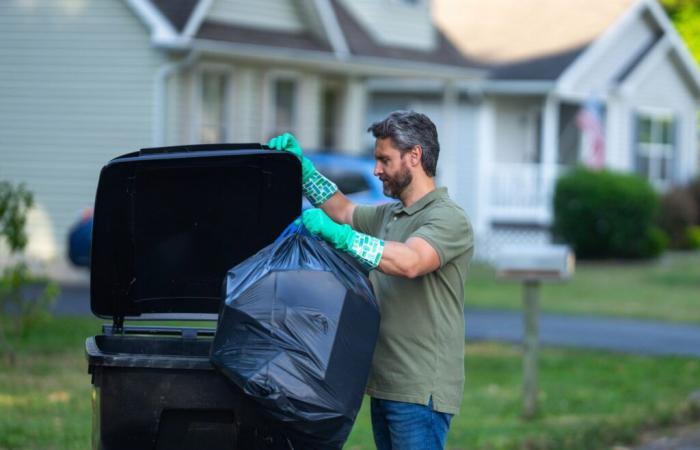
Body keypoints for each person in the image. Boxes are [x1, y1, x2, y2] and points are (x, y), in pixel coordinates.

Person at [267, 110, 473, 450]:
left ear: (415, 156)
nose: (376, 169)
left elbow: (410, 261)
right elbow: (343, 211)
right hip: (385, 384)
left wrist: (342, 238)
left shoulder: (447, 218)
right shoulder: (389, 215)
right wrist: (302, 169)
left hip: (422, 390)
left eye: (384, 160)